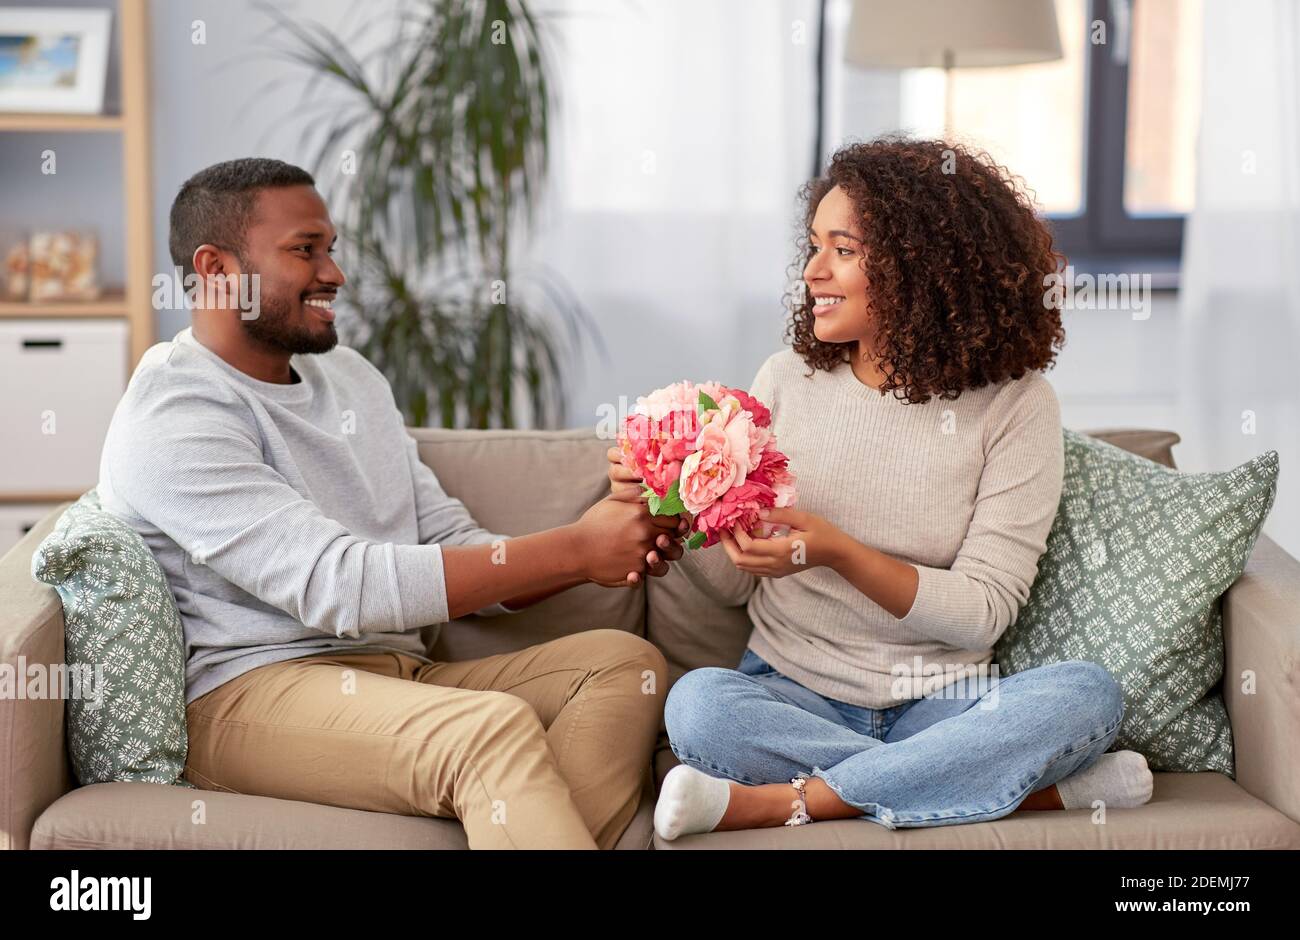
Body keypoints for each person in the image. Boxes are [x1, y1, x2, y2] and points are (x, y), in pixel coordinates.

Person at [99, 157, 687, 849]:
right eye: (304, 250)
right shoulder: (175, 412)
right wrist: (578, 547)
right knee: (488, 730)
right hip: (247, 695)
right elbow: (342, 587)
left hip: (400, 674)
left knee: (626, 665)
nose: (335, 274)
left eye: (331, 249)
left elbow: (448, 542)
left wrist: (596, 553)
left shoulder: (351, 379)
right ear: (217, 267)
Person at [606, 138, 1154, 840]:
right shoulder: (787, 381)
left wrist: (838, 552)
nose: (812, 272)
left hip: (945, 703)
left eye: (843, 250)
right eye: (813, 247)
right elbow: (737, 588)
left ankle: (788, 802)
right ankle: (998, 787)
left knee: (1084, 696)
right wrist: (676, 507)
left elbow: (984, 612)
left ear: (921, 269)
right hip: (789, 696)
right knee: (698, 707)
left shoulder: (1017, 407)